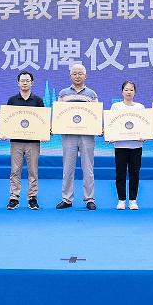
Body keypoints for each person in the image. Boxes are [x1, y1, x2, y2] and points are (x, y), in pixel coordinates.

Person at [56, 64, 99, 210]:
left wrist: (98, 127)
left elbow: (95, 115)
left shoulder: (92, 94)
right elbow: (59, 115)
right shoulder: (63, 93)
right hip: (69, 136)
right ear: (70, 76)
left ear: (85, 76)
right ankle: (67, 199)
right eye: (74, 73)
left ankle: (89, 199)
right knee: (68, 168)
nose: (77, 76)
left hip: (87, 136)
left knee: (88, 168)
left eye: (80, 73)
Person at [4, 71, 45, 210]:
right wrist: (4, 133)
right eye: (22, 80)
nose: (25, 83)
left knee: (33, 171)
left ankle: (32, 197)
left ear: (32, 83)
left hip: (33, 142)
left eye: (27, 80)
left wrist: (43, 134)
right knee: (15, 171)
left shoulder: (38, 101)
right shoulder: (12, 100)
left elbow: (42, 120)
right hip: (16, 141)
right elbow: (7, 120)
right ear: (18, 83)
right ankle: (14, 197)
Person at [110, 81, 144, 210]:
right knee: (121, 173)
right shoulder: (116, 106)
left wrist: (144, 135)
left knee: (134, 173)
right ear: (122, 92)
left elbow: (144, 125)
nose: (128, 92)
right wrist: (111, 136)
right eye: (126, 90)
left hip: (136, 146)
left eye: (131, 90)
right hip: (120, 146)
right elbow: (111, 124)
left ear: (135, 92)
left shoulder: (140, 107)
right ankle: (121, 200)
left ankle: (133, 200)